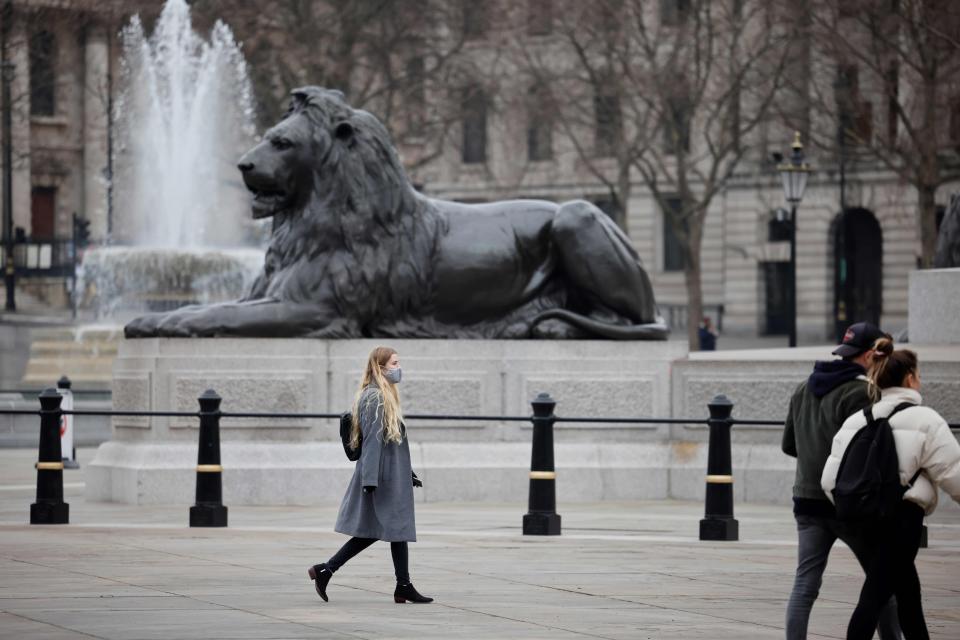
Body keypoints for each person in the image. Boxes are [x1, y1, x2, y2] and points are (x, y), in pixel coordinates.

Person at [822, 339, 960, 640]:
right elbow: (953, 473)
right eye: (918, 374)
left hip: (863, 519)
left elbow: (830, 480)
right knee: (874, 595)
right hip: (902, 519)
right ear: (910, 378)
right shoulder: (926, 419)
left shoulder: (858, 419)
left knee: (908, 592)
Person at [781, 321, 901, 640]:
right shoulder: (862, 393)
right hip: (849, 504)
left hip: (806, 502)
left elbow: (788, 445)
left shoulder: (803, 388)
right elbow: (869, 450)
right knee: (880, 582)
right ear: (868, 356)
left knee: (805, 585)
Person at [308, 346, 433, 604]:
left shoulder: (384, 396)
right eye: (395, 363)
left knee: (388, 529)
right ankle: (331, 569)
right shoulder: (374, 398)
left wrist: (408, 473)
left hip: (391, 474)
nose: (399, 368)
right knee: (389, 529)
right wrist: (370, 481)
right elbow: (374, 442)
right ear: (381, 367)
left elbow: (390, 442)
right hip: (383, 477)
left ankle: (399, 584)